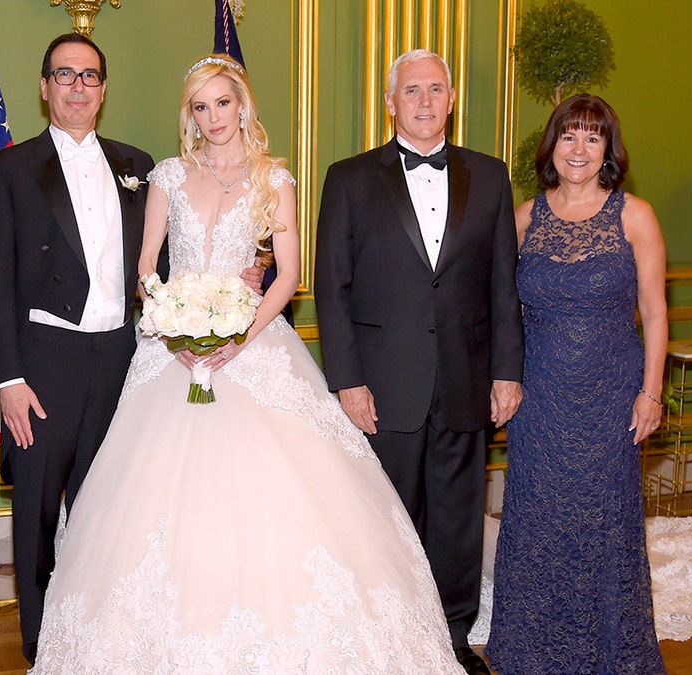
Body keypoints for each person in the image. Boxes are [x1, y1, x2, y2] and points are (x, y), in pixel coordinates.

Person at [28, 54, 463, 673]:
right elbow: (147, 266)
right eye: (200, 108)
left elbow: (288, 275)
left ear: (242, 105)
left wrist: (240, 336)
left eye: (222, 104)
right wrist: (175, 328)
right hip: (169, 357)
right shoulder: (169, 177)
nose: (213, 118)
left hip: (254, 348)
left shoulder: (274, 180)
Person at [314, 48, 524, 674]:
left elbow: (502, 285)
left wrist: (507, 370)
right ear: (390, 102)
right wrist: (347, 380)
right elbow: (333, 289)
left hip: (465, 379)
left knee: (458, 521)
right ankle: (390, 640)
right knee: (386, 520)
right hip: (382, 387)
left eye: (436, 89)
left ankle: (454, 642)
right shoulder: (348, 178)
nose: (425, 101)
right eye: (412, 90)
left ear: (451, 99)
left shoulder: (490, 176)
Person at [0, 33, 157, 665]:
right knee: (34, 509)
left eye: (90, 76)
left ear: (104, 89)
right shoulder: (8, 169)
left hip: (120, 359)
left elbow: (164, 260)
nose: (78, 87)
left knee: (106, 504)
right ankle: (38, 642)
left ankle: (95, 637)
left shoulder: (139, 164)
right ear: (45, 87)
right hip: (42, 361)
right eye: (65, 75)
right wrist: (9, 378)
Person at [487, 94, 667, 674]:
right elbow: (496, 309)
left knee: (604, 522)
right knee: (539, 522)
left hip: (613, 397)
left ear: (608, 149)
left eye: (593, 137)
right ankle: (531, 656)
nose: (580, 149)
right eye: (570, 136)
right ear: (553, 146)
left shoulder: (634, 215)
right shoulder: (522, 218)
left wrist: (651, 391)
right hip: (539, 401)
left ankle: (610, 657)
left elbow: (657, 313)